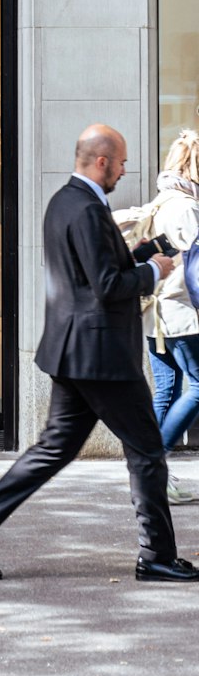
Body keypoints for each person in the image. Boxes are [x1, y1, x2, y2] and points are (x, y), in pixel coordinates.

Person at [0, 124, 198, 583]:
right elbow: (106, 286)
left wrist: (146, 252)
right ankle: (156, 555)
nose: (124, 171)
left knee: (53, 450)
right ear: (101, 161)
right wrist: (153, 274)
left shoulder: (66, 202)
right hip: (102, 355)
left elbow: (93, 270)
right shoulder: (85, 210)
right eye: (120, 162)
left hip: (73, 349)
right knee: (145, 453)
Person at [143, 129, 199, 504]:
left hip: (154, 314)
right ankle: (151, 467)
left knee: (165, 391)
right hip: (181, 314)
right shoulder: (187, 207)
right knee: (197, 387)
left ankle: (153, 477)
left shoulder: (162, 200)